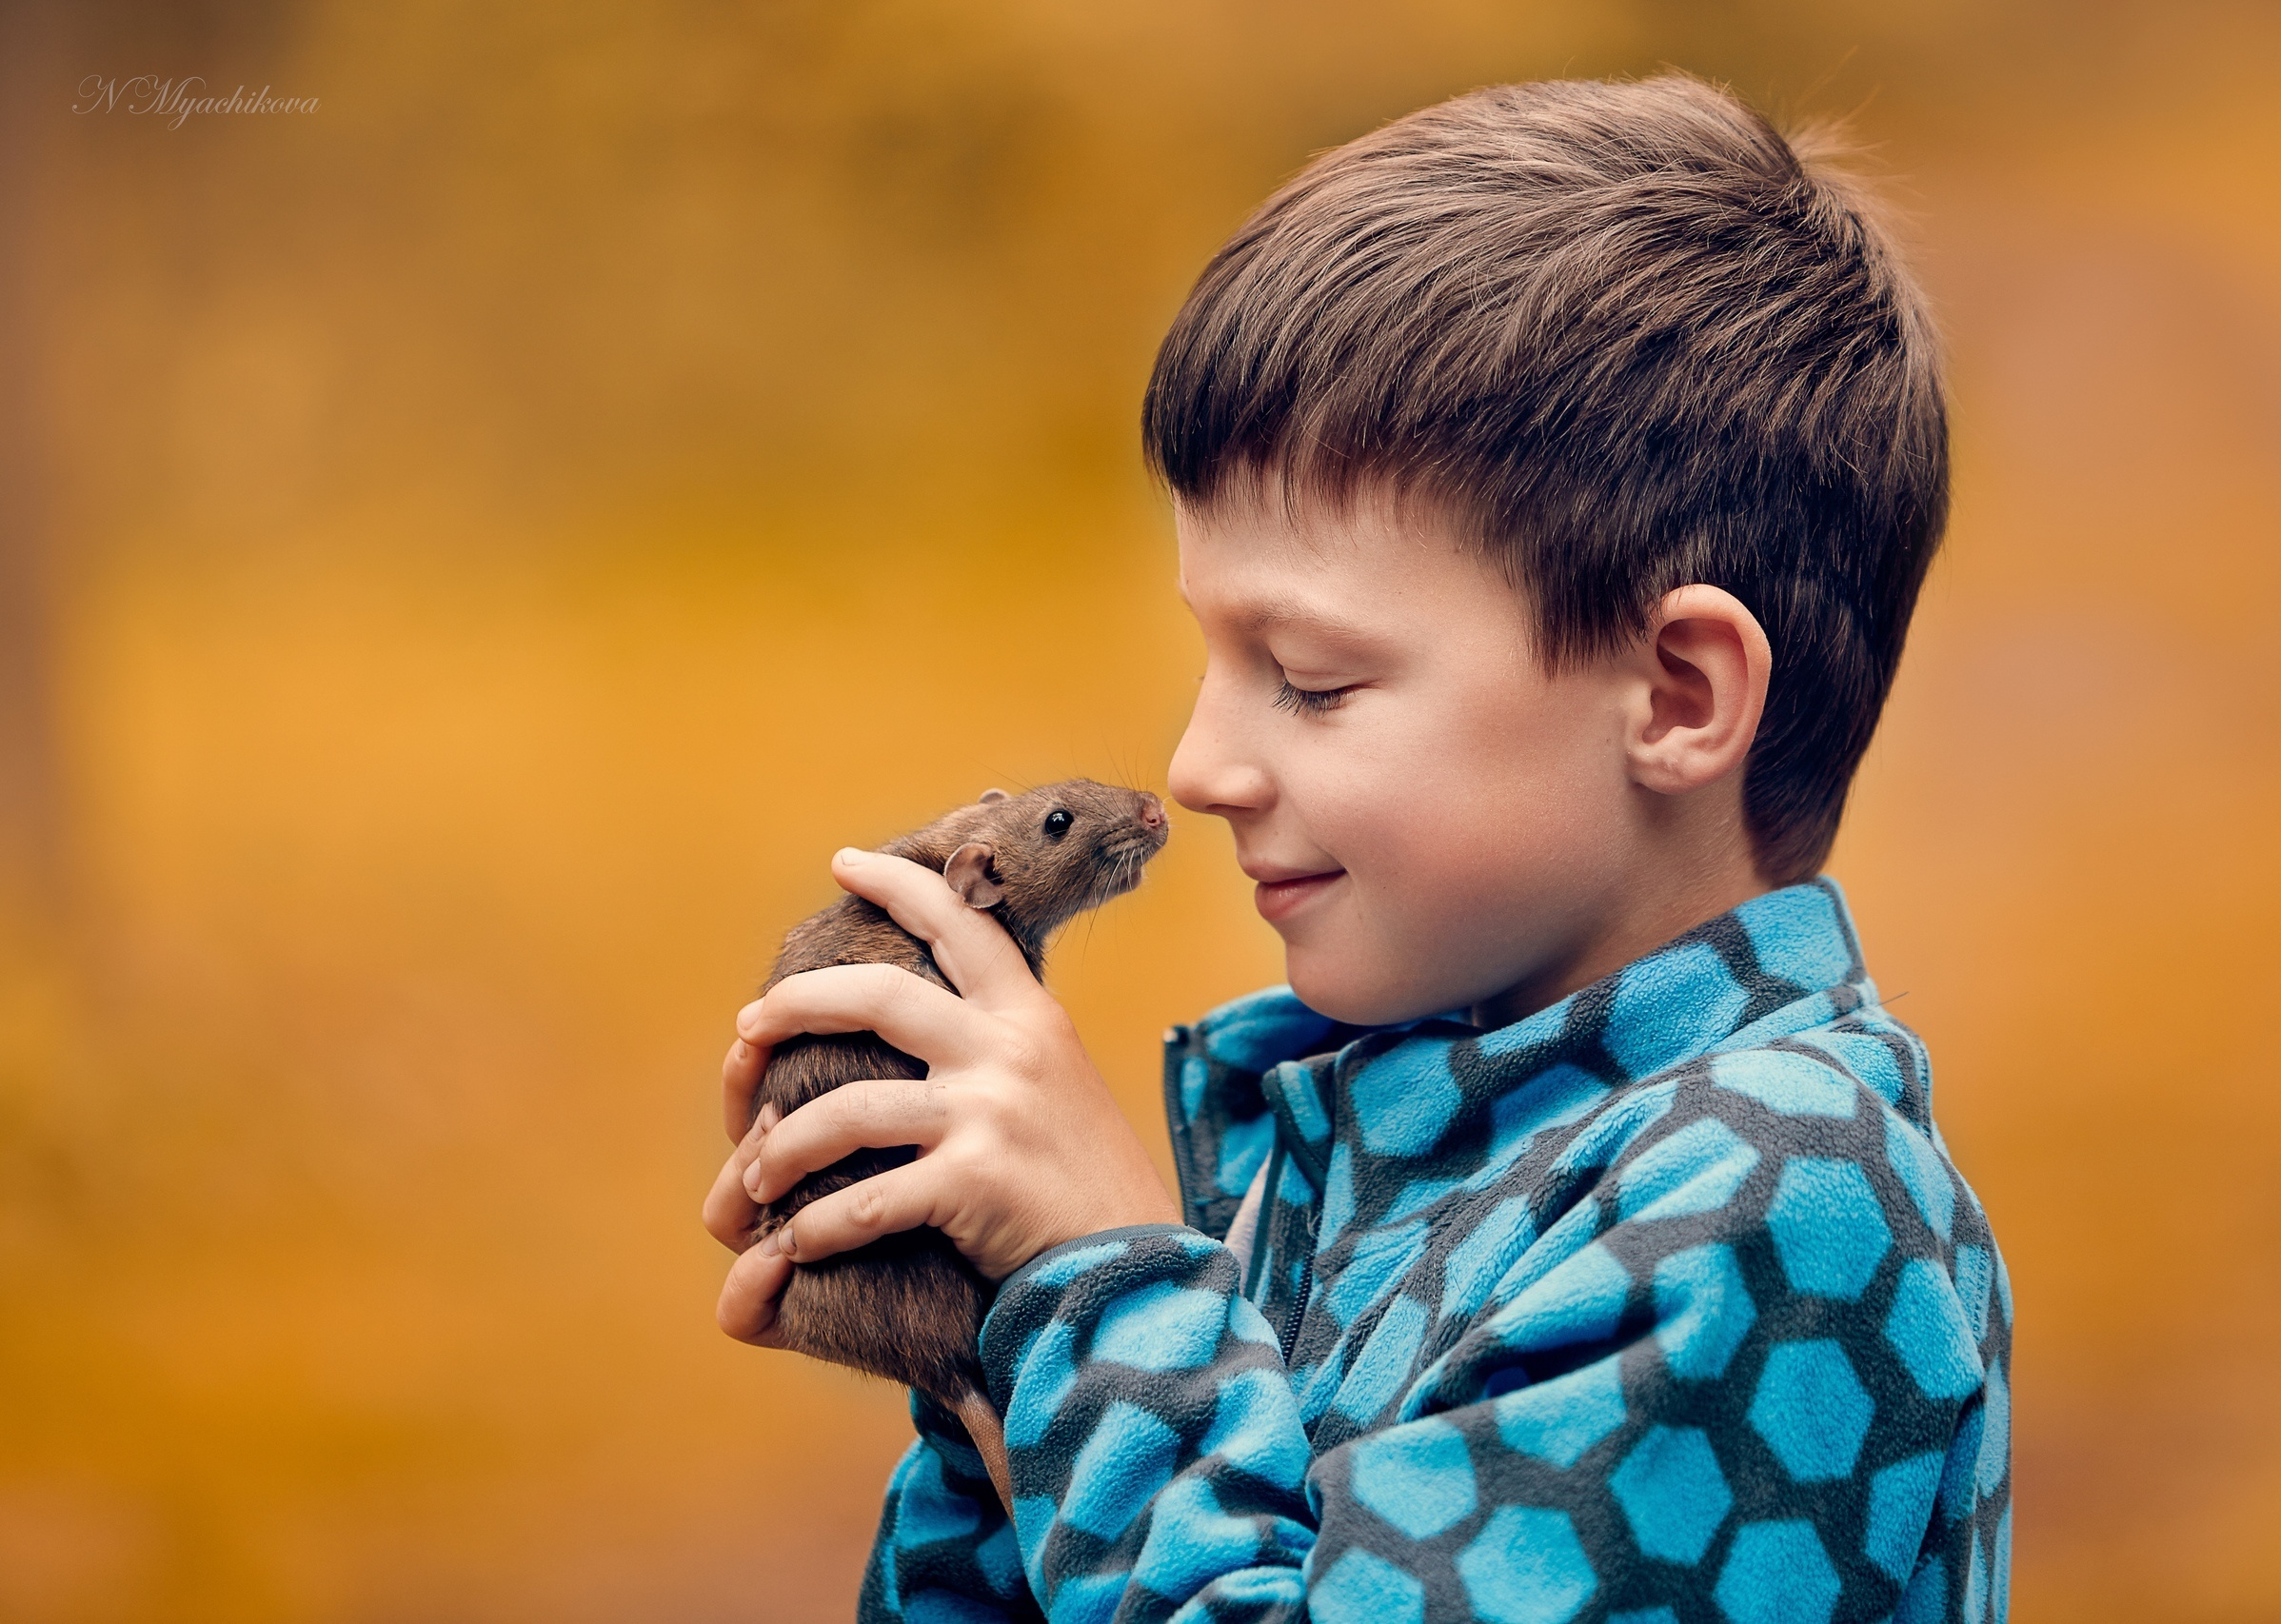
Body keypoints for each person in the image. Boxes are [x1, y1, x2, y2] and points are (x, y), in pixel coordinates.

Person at [702, 73, 2010, 1624]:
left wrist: (1108, 1292)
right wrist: (982, 1337)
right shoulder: (1351, 1149)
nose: (1196, 768)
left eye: (1311, 680)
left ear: (1674, 694)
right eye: (1214, 658)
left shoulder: (1787, 1208)